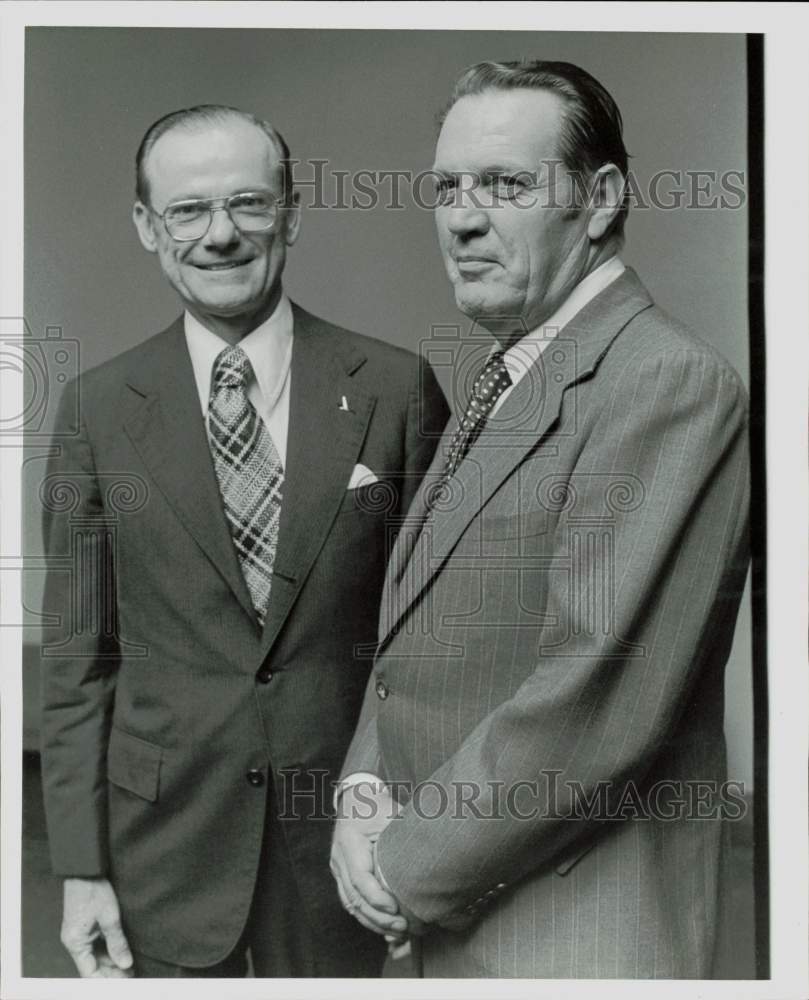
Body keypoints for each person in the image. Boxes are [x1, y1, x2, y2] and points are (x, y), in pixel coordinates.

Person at [332, 60, 750, 978]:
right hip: (473, 924)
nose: (462, 217)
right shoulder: (508, 371)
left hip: (575, 938)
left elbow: (595, 695)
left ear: (599, 199)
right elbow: (414, 635)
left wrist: (400, 863)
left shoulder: (662, 382)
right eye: (446, 186)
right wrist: (365, 790)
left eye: (506, 184)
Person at [39, 104, 448, 978]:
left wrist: (419, 826)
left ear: (291, 214)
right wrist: (80, 868)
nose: (219, 235)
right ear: (148, 227)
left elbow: (435, 639)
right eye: (187, 210)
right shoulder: (95, 410)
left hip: (348, 840)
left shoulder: (394, 388)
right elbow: (77, 663)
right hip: (164, 848)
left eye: (248, 205)